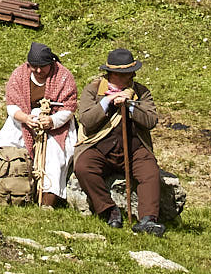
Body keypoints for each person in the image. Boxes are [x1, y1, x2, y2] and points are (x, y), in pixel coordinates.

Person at [71, 46, 165, 234]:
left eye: (130, 74)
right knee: (83, 167)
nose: (129, 78)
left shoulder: (141, 92)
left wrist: (130, 105)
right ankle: (109, 210)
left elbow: (151, 120)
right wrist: (107, 102)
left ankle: (148, 219)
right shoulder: (93, 90)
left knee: (150, 173)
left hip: (135, 149)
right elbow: (87, 121)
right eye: (123, 74)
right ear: (111, 74)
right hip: (100, 148)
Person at [0, 42, 79, 207]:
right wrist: (24, 118)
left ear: (51, 64)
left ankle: (47, 200)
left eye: (42, 67)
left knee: (55, 154)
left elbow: (69, 108)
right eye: (34, 67)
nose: (38, 71)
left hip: (55, 124)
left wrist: (51, 121)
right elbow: (12, 104)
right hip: (23, 120)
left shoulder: (64, 76)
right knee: (8, 147)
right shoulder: (19, 74)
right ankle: (6, 193)